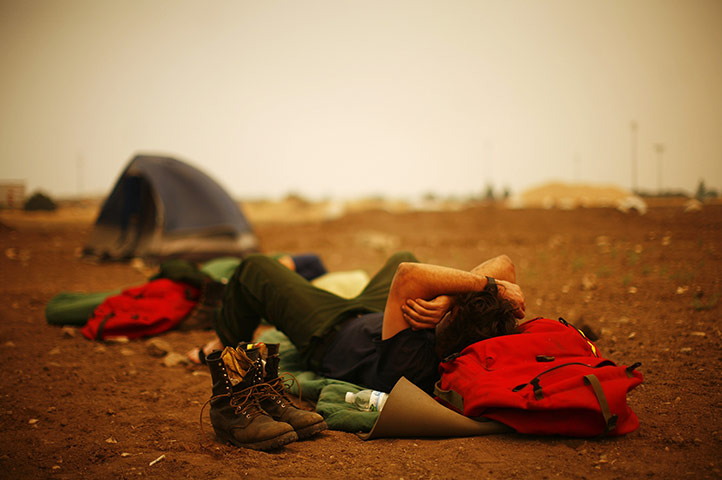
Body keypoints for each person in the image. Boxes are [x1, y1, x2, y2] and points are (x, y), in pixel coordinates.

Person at [205, 251, 525, 449]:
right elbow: (505, 265)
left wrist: (481, 287)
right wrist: (451, 299)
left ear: (452, 322)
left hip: (329, 327)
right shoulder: (459, 335)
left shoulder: (412, 360)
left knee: (254, 269)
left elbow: (408, 275)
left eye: (455, 307)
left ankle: (231, 394)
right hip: (373, 312)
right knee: (405, 252)